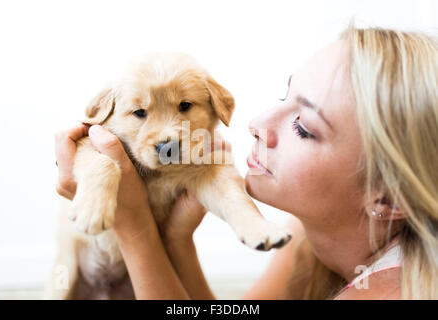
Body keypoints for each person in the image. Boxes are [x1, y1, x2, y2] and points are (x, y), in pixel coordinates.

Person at [54, 26, 438, 300]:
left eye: (303, 127)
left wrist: (133, 226)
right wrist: (176, 238)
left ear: (386, 198)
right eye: (284, 95)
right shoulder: (309, 237)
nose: (255, 124)